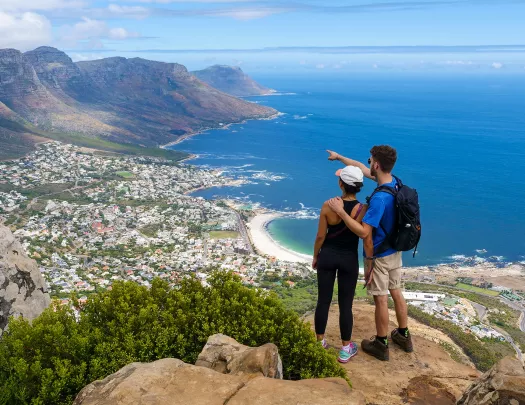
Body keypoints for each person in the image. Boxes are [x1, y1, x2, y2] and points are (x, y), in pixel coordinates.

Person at [326, 146, 413, 361]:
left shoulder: (378, 199)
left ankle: (381, 344)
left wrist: (341, 213)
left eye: (370, 160)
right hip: (396, 250)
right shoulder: (394, 183)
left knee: (381, 299)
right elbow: (360, 168)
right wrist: (339, 158)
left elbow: (364, 232)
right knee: (396, 291)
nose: (368, 163)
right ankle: (404, 335)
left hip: (380, 255)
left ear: (376, 164)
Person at [312, 165, 373, 363]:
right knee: (346, 305)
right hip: (349, 259)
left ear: (341, 184)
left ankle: (319, 342)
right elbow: (365, 237)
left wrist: (315, 256)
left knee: (323, 301)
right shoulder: (363, 209)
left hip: (327, 256)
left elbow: (321, 235)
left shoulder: (328, 205)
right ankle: (346, 348)